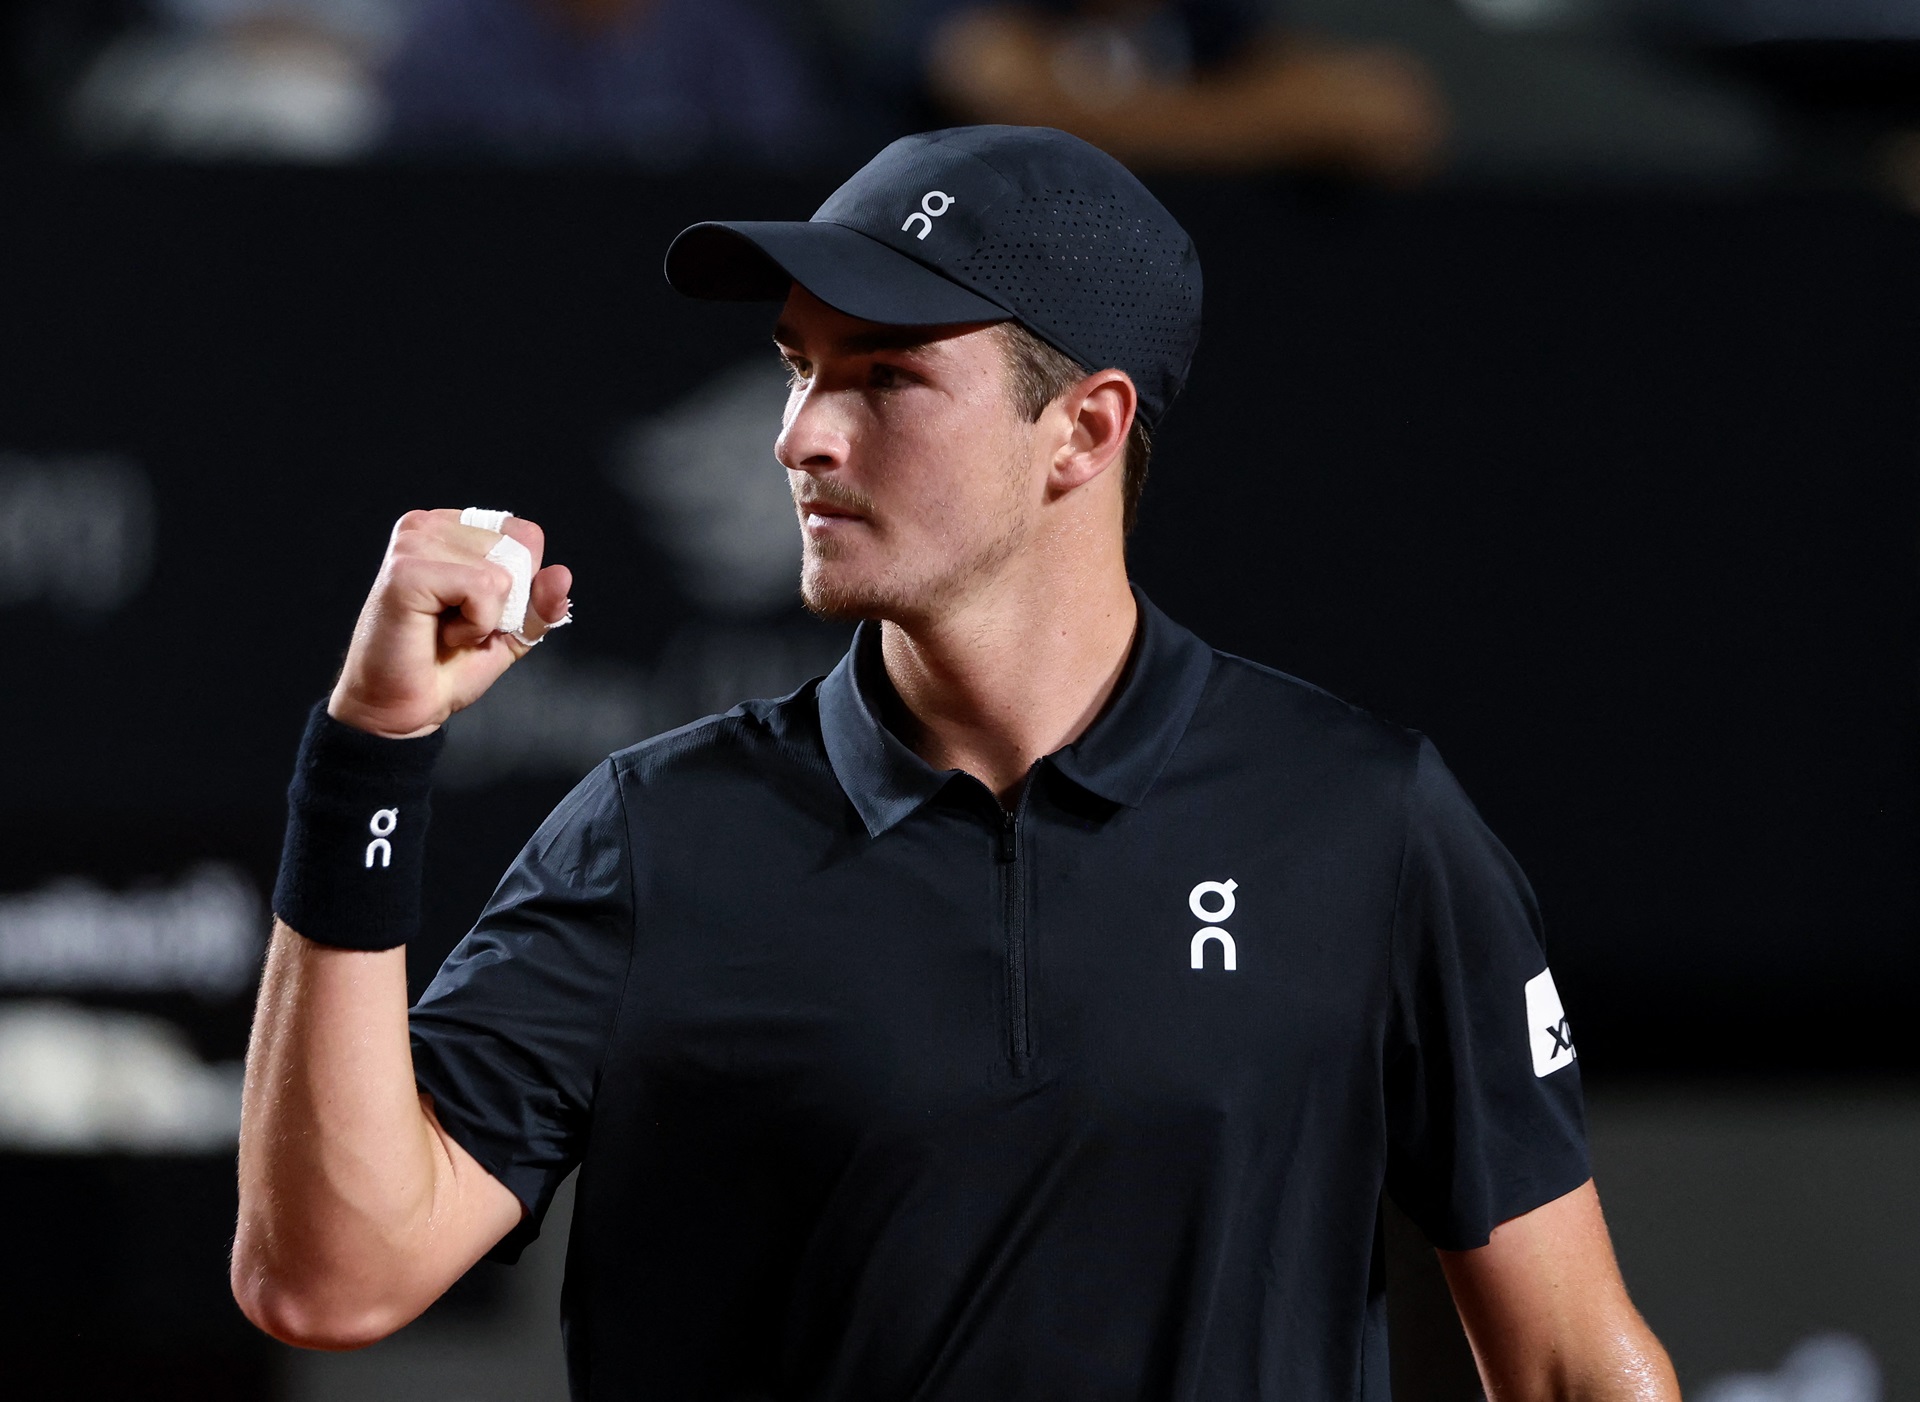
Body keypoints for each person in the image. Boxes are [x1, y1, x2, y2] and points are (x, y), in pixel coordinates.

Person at [231, 124, 1679, 1398]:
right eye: (799, 367)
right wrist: (372, 752)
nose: (801, 434)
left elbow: (1567, 1362)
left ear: (1085, 430)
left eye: (886, 374)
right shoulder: (656, 835)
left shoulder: (1366, 824)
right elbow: (329, 1276)